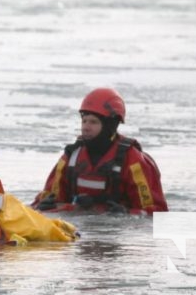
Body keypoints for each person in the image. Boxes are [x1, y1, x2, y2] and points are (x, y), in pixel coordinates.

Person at [31, 88, 168, 215]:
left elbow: (157, 213)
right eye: (84, 121)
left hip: (117, 235)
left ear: (110, 125)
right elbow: (47, 199)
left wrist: (126, 214)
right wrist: (42, 205)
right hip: (77, 231)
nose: (86, 127)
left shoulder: (133, 161)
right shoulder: (71, 157)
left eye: (93, 122)